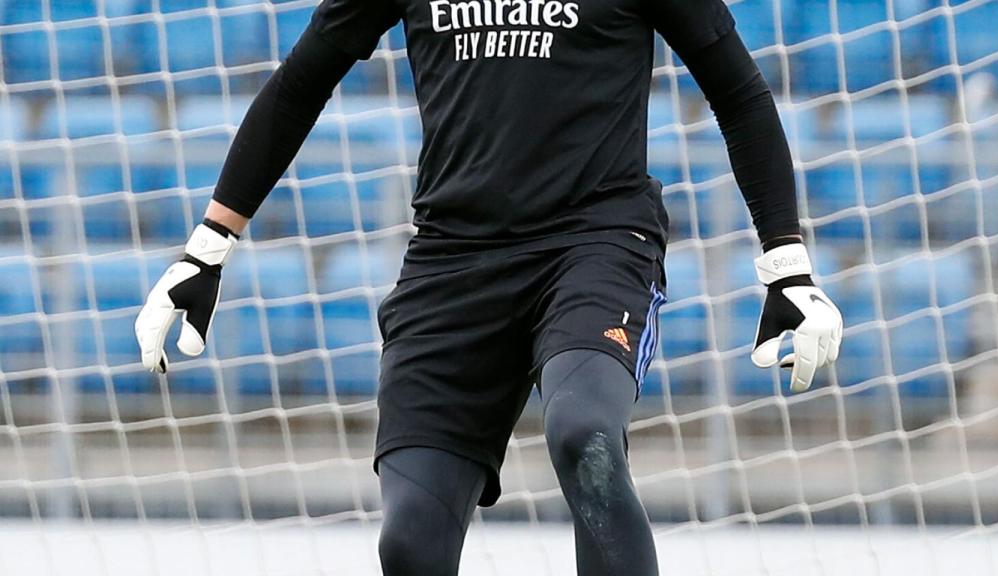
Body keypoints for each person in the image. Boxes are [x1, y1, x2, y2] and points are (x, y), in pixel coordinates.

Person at [134, 0, 844, 573]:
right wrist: (207, 248)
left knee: (585, 437)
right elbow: (302, 80)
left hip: (593, 245)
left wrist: (787, 264)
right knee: (409, 543)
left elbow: (740, 94)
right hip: (451, 262)